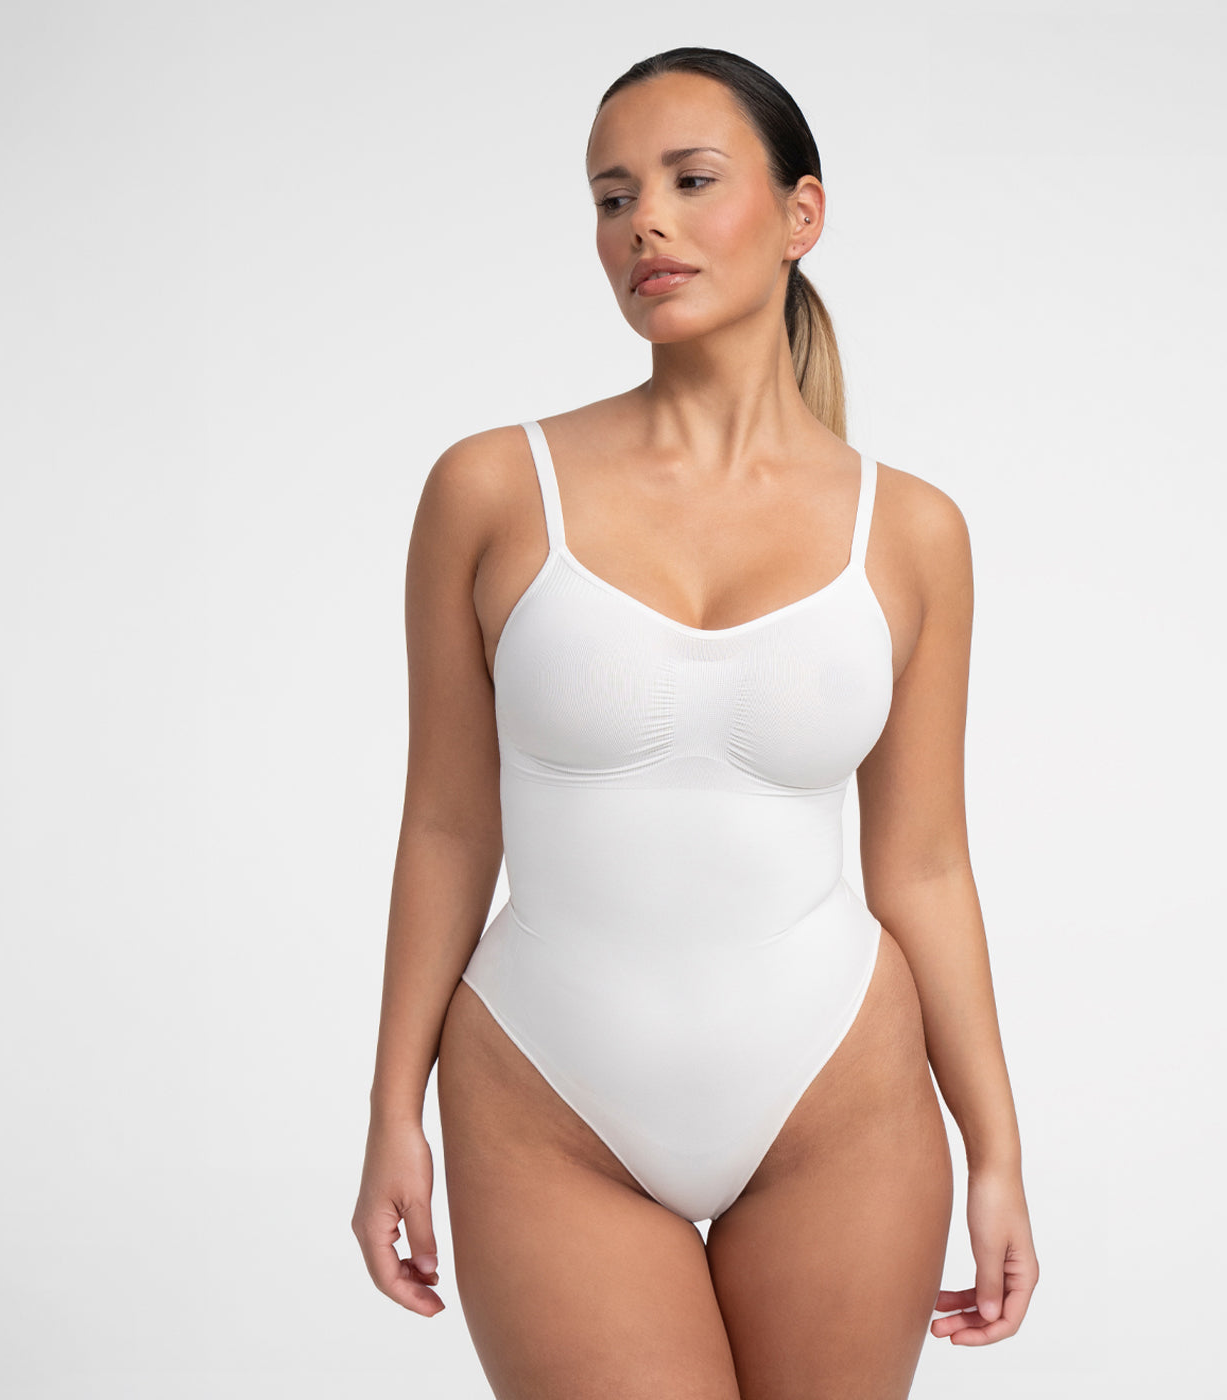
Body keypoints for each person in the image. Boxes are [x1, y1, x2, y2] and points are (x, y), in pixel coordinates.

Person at [352, 45, 1038, 1399]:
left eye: (689, 181)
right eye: (612, 197)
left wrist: (998, 1149)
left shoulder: (910, 531)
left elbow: (924, 865)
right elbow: (445, 826)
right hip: (548, 1099)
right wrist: (390, 1112)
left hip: (838, 1103)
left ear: (801, 215)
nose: (643, 225)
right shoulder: (493, 489)